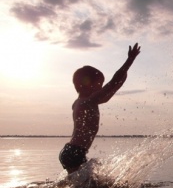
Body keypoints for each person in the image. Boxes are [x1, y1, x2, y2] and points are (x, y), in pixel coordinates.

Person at [59, 43, 141, 174]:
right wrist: (129, 61)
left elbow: (111, 90)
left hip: (71, 152)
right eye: (99, 84)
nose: (101, 88)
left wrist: (123, 75)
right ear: (87, 85)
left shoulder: (80, 102)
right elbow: (113, 83)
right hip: (75, 153)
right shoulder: (88, 101)